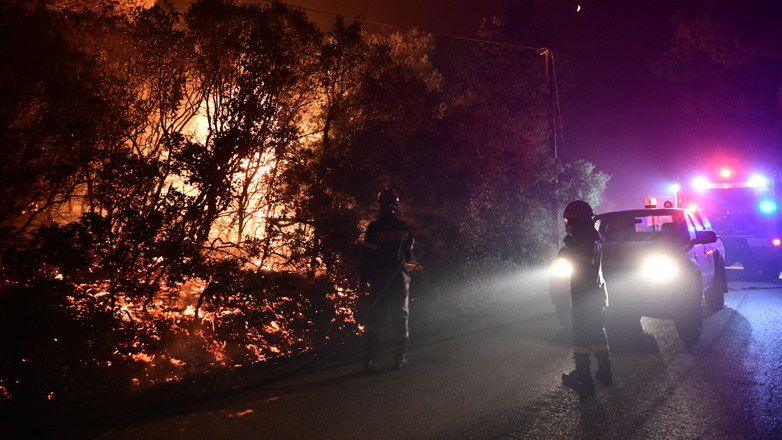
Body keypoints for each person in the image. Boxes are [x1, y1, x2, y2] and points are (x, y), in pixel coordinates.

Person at [559, 200, 611, 396]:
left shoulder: (583, 240)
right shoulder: (591, 237)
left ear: (577, 221)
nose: (566, 224)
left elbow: (583, 263)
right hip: (595, 295)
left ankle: (584, 378)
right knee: (597, 334)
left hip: (585, 296)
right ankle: (605, 373)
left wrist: (566, 252)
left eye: (568, 220)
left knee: (580, 336)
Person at [359, 187, 414, 373]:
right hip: (399, 281)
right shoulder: (404, 227)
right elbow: (408, 257)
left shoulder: (374, 228)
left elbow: (366, 257)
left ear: (379, 205)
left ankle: (369, 361)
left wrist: (363, 280)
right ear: (396, 205)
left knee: (375, 319)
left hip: (379, 281)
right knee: (401, 318)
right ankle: (399, 359)